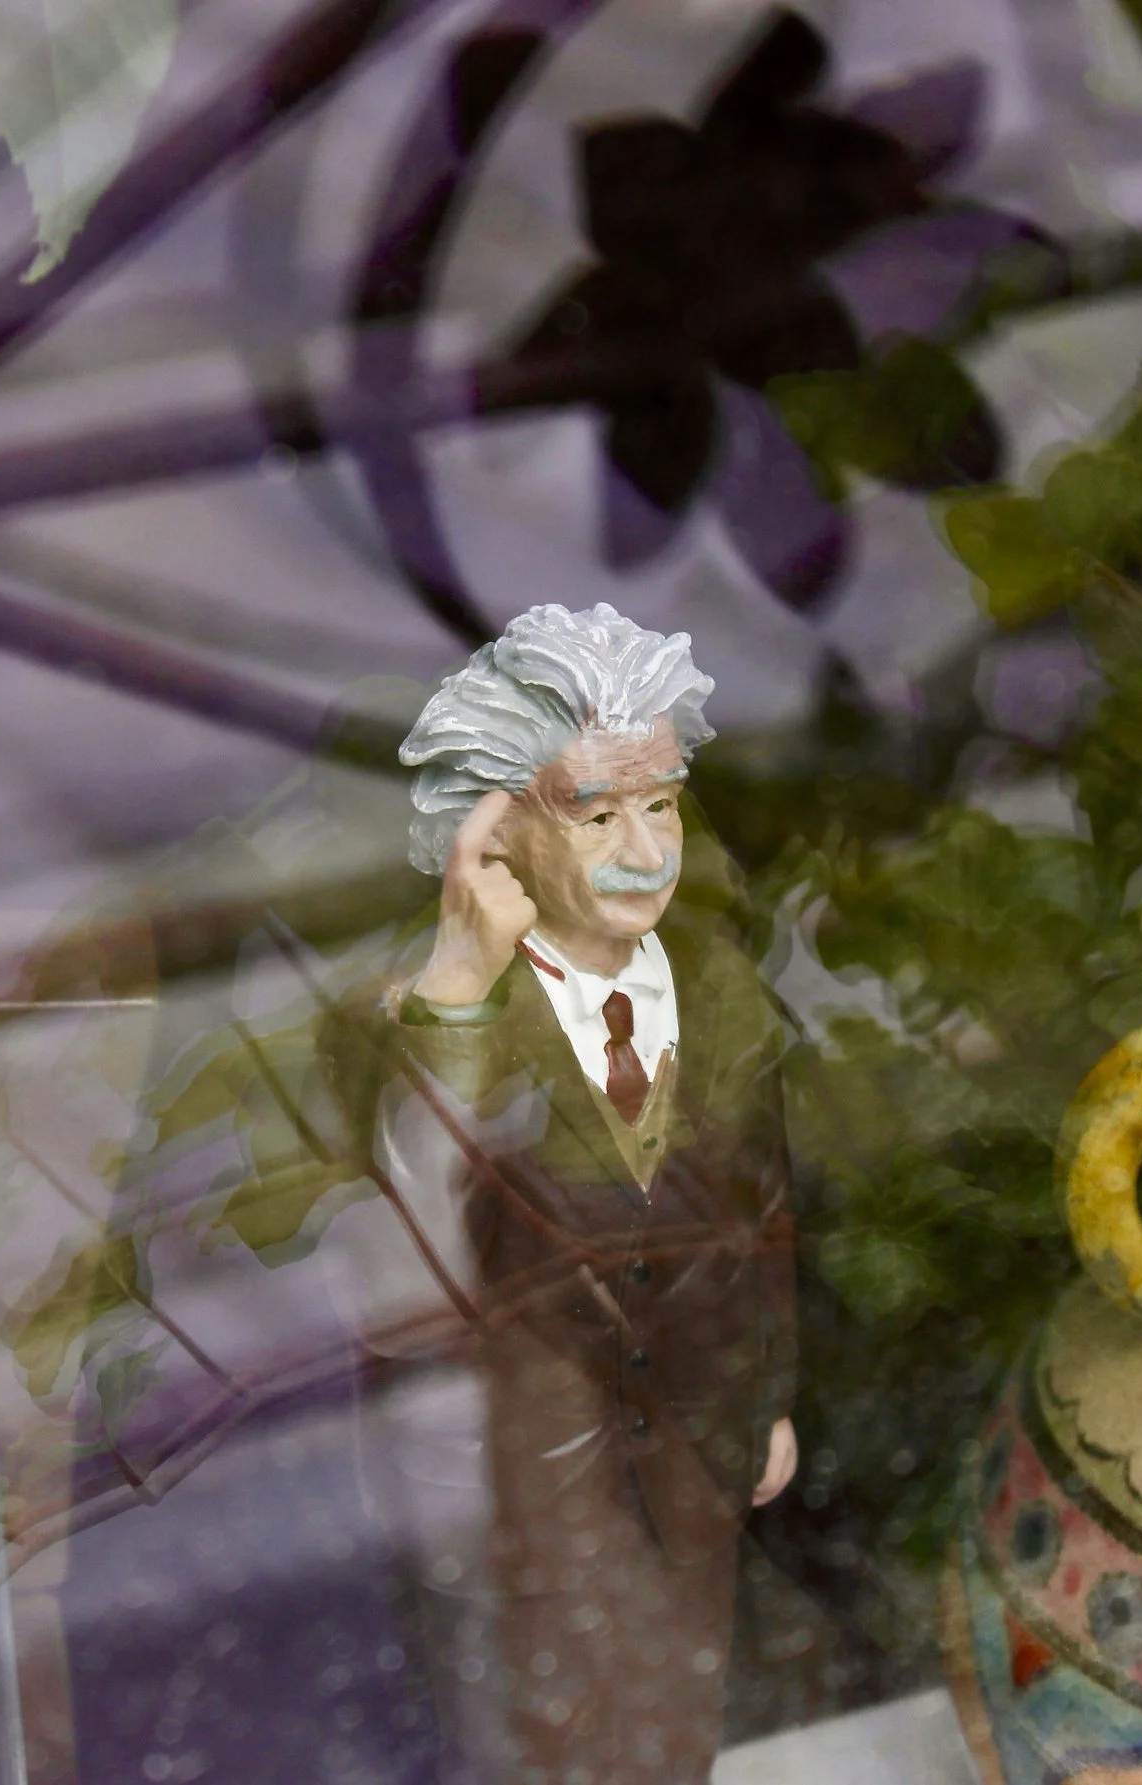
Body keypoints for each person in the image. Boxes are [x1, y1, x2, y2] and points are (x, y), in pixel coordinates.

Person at [349, 602, 798, 1785]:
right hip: (530, 1438)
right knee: (542, 1693)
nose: (644, 851)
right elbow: (404, 1230)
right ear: (495, 835)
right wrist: (458, 982)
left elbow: (762, 1209)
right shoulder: (447, 1010)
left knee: (684, 1667)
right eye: (596, 815)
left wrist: (774, 1391)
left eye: (659, 806)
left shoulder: (714, 977)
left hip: (697, 1418)